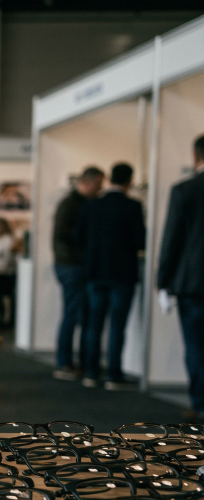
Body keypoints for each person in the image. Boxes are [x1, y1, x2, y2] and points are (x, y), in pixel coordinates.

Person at [77, 162, 145, 390]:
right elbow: (140, 240)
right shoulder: (133, 206)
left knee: (93, 325)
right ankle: (113, 375)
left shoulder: (91, 206)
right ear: (130, 181)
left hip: (95, 273)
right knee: (117, 326)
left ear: (109, 179)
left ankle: (91, 372)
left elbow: (79, 237)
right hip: (122, 275)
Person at [157, 134, 204, 420]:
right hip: (192, 283)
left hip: (193, 283)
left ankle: (200, 404)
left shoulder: (185, 190)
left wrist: (163, 282)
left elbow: (172, 239)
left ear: (195, 156)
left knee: (196, 345)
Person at [52, 166, 104, 381]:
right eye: (98, 184)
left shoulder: (81, 203)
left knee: (79, 314)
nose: (101, 189)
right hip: (71, 266)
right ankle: (64, 362)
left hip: (73, 264)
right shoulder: (70, 204)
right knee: (72, 313)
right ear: (88, 182)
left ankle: (79, 362)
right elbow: (62, 234)